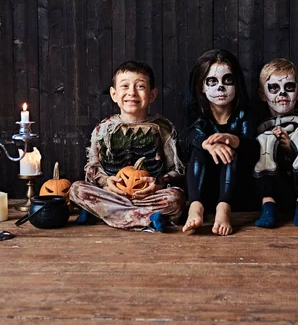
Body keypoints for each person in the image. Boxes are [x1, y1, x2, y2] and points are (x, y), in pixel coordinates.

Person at [69, 61, 185, 232]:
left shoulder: (163, 128)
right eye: (125, 86)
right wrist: (107, 182)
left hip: (149, 195)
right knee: (76, 189)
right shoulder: (104, 129)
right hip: (112, 194)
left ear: (152, 94)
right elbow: (93, 169)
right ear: (114, 94)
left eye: (140, 86)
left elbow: (177, 170)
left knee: (176, 197)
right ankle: (148, 218)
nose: (132, 92)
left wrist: (159, 182)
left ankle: (102, 213)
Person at [182, 49, 258, 236]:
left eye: (227, 81)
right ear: (202, 86)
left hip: (237, 190)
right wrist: (207, 144)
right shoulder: (197, 113)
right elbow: (188, 136)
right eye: (212, 82)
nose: (221, 88)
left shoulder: (244, 114)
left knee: (230, 149)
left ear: (237, 84)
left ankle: (223, 210)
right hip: (203, 188)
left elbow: (254, 150)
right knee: (199, 149)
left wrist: (234, 140)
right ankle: (195, 207)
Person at [254, 58, 298, 228]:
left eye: (289, 87)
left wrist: (292, 147)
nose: (282, 94)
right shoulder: (257, 122)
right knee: (263, 139)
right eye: (274, 88)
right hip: (272, 188)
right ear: (263, 94)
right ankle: (267, 204)